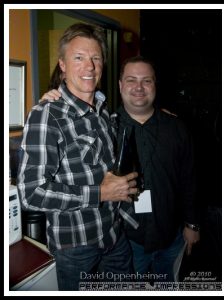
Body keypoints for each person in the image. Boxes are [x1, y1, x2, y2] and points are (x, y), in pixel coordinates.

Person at [41, 56, 200, 283]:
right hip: (126, 241)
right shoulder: (104, 128)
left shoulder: (177, 127)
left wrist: (192, 224)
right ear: (119, 85)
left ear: (155, 84)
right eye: (131, 80)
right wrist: (51, 101)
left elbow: (189, 179)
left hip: (171, 238)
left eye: (147, 81)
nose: (138, 87)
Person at [17, 23, 139, 291]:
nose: (90, 66)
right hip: (76, 247)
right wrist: (99, 193)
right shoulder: (47, 114)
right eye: (79, 58)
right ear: (62, 64)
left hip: (114, 235)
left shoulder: (104, 111)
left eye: (96, 58)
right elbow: (31, 193)